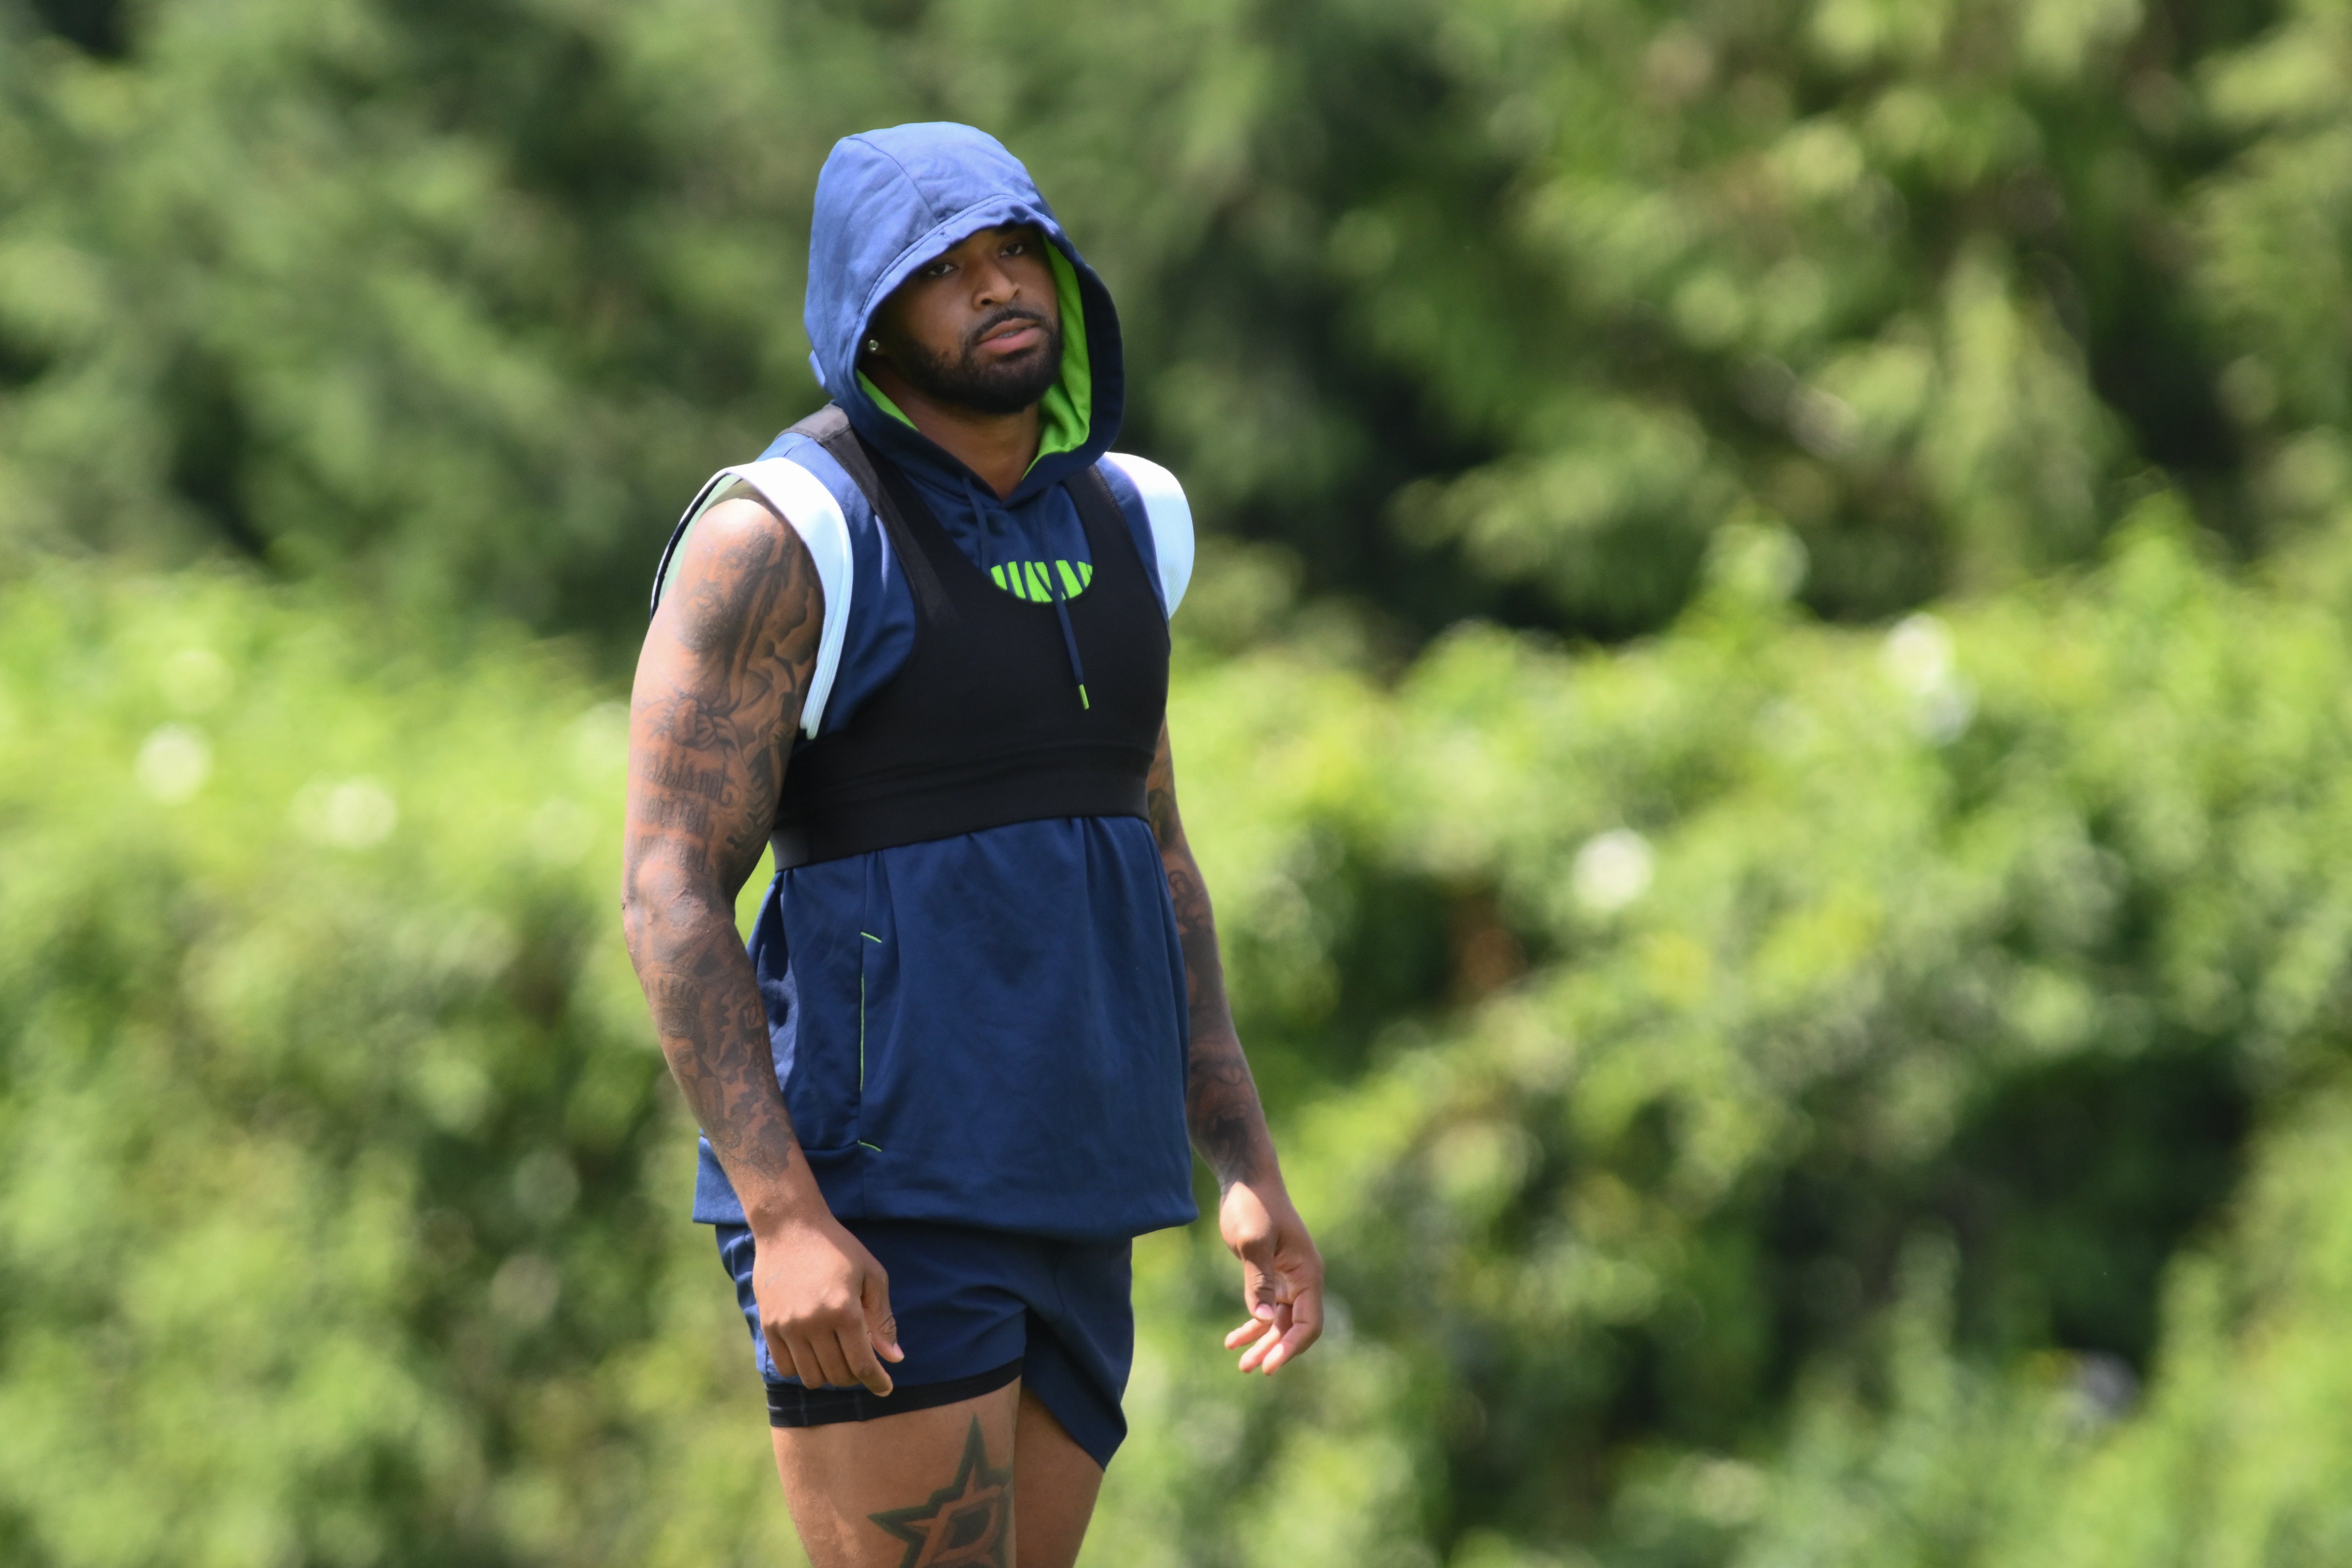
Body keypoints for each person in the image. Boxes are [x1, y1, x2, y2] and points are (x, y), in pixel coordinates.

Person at [621, 122, 1324, 1567]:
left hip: (1082, 1178)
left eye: (1020, 253)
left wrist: (1241, 1156)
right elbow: (669, 886)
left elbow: (1158, 851)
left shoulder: (1132, 519)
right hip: (881, 1201)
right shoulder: (789, 532)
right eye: (944, 271)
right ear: (869, 320)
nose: (998, 288)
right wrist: (786, 1213)